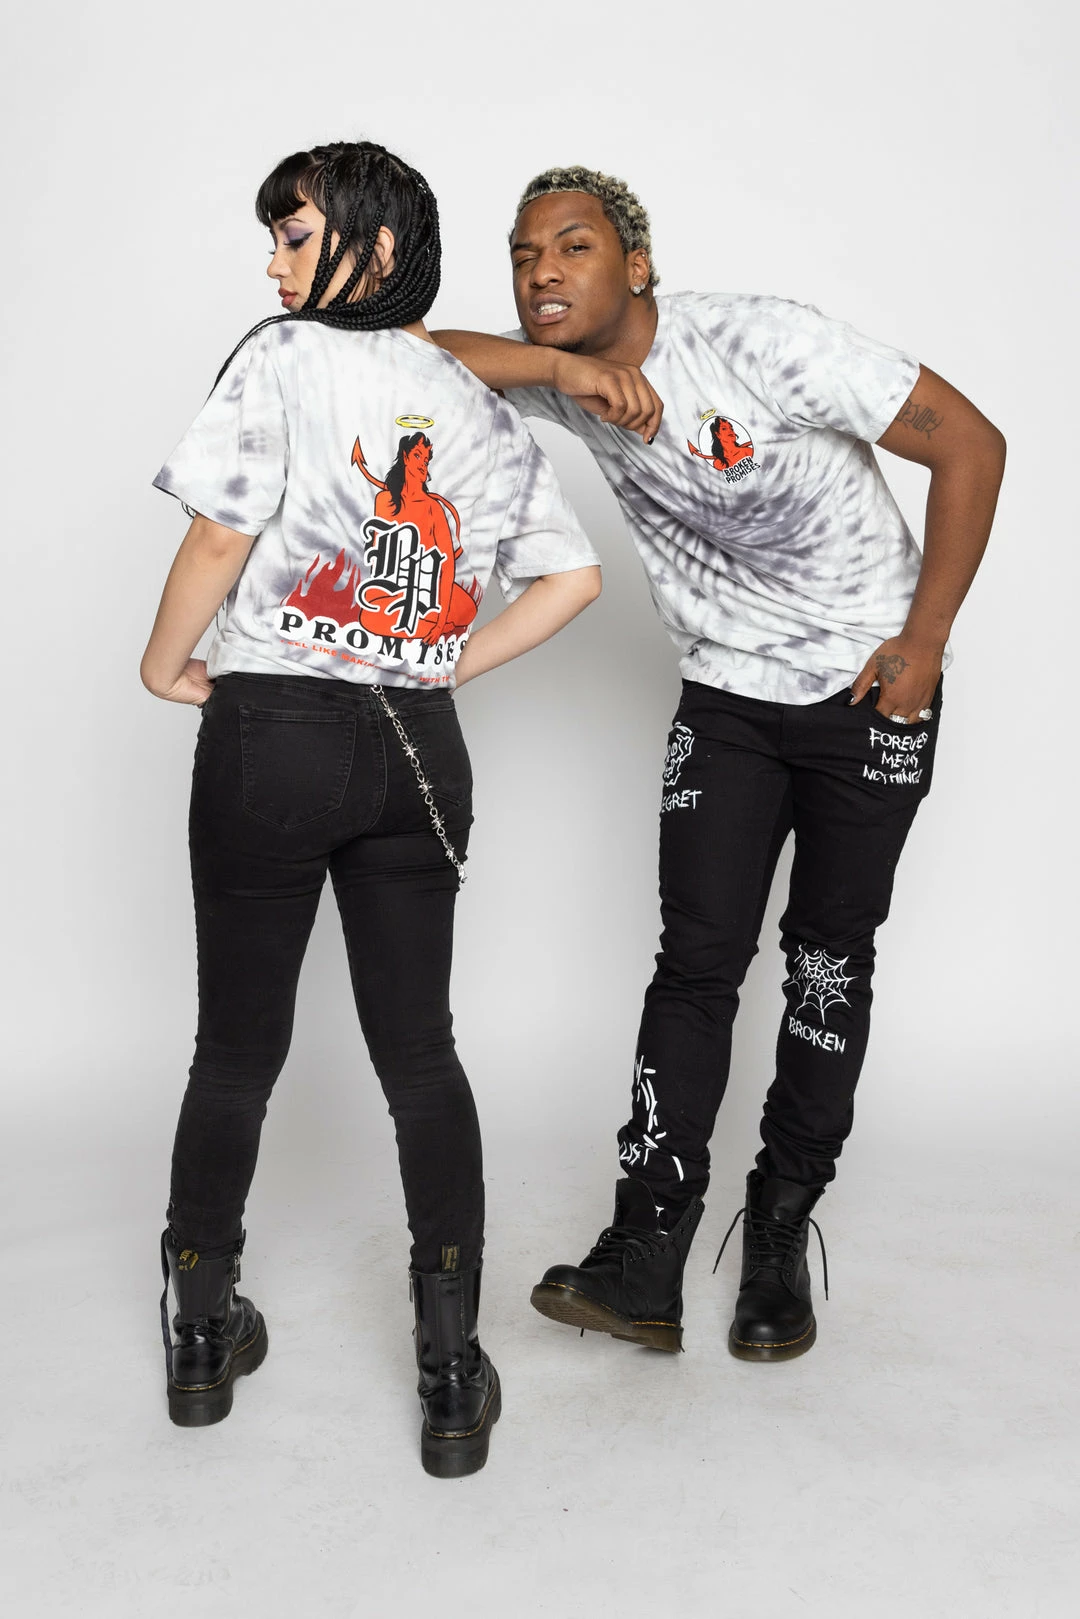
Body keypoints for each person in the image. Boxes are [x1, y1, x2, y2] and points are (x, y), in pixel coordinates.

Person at [433, 165, 1006, 1363]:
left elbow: (972, 443)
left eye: (573, 246)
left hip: (870, 690)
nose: (541, 272)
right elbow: (414, 354)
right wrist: (558, 373)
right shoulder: (571, 379)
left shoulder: (759, 342)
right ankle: (646, 1249)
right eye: (524, 255)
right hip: (728, 700)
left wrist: (924, 640)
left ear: (637, 265)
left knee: (826, 963)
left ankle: (779, 1232)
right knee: (694, 966)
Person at [141, 141, 601, 1476]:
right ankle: (452, 1372)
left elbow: (219, 534)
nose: (273, 264)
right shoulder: (474, 402)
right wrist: (442, 665)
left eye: (294, 235)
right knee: (421, 1053)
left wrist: (166, 662)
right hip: (416, 749)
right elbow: (571, 580)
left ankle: (200, 1333)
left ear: (376, 246)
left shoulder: (282, 358)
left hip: (272, 733)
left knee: (235, 1050)